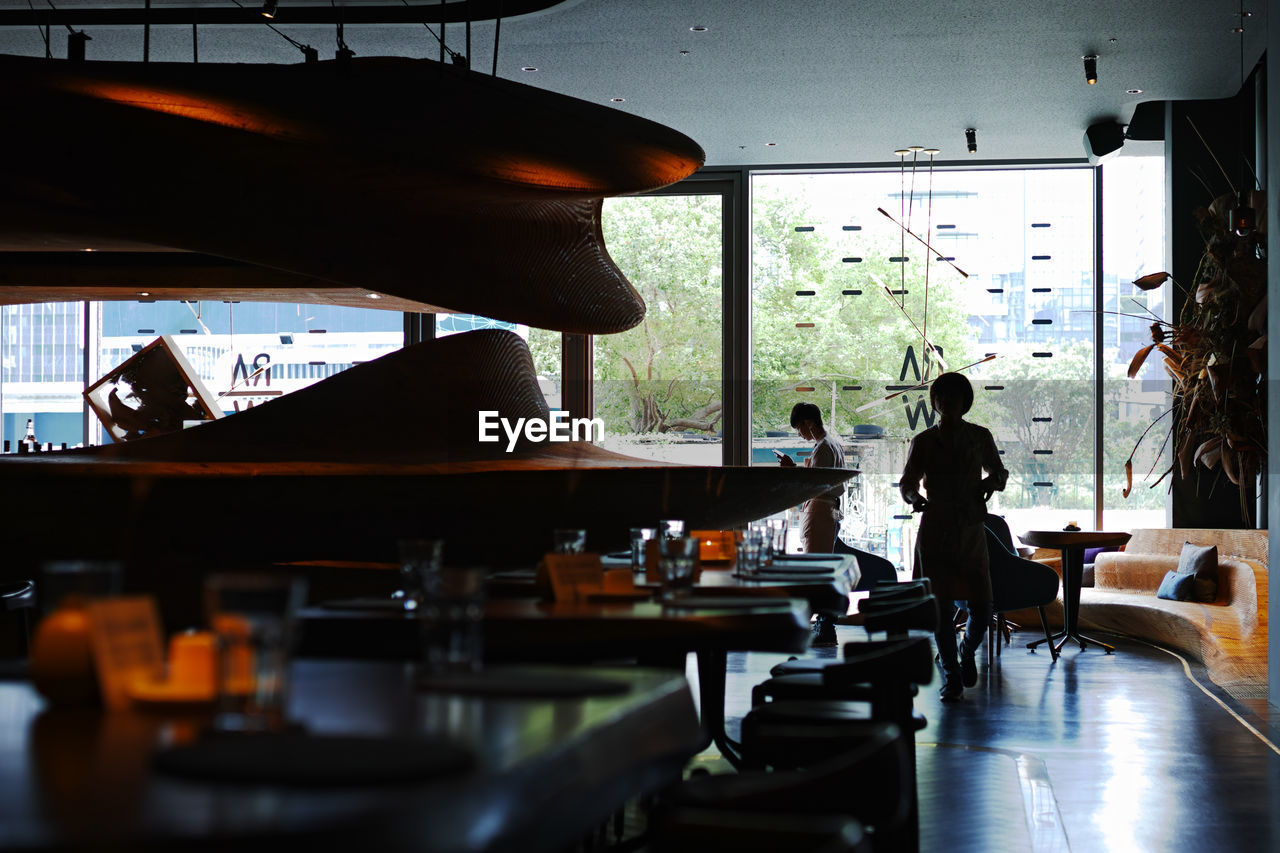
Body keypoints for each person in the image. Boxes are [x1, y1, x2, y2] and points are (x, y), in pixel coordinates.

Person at [899, 372, 1007, 701]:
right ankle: (951, 673)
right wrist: (914, 499)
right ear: (934, 402)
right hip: (935, 528)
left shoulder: (980, 436)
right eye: (940, 396)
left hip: (972, 527)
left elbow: (999, 473)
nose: (946, 402)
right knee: (941, 608)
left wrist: (991, 483)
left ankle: (966, 650)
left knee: (982, 605)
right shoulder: (924, 441)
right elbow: (907, 483)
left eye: (953, 396)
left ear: (965, 402)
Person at [779, 402, 847, 646]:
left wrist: (791, 470)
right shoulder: (832, 444)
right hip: (827, 509)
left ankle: (822, 627)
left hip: (819, 509)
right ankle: (824, 625)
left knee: (815, 571)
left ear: (808, 423)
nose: (799, 434)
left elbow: (813, 484)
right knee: (823, 570)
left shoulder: (823, 448)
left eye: (799, 428)